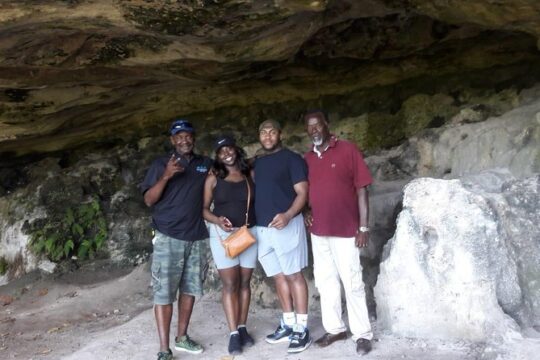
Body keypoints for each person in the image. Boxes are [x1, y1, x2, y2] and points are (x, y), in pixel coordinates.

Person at [303, 109, 374, 356]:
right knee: (326, 282)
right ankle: (335, 328)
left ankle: (362, 334)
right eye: (309, 127)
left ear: (327, 124)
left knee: (352, 282)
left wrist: (363, 227)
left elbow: (363, 189)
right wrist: (304, 212)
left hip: (346, 231)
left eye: (317, 125)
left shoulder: (347, 150)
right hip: (319, 231)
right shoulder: (307, 159)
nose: (314, 130)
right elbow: (303, 193)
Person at [140, 119, 212, 360]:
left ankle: (182, 337)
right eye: (178, 136)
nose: (184, 140)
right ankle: (164, 349)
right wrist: (167, 176)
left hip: (196, 236)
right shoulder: (161, 164)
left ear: (194, 137)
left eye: (187, 135)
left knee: (190, 290)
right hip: (167, 236)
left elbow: (229, 173)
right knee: (164, 293)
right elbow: (149, 200)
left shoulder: (205, 164)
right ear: (172, 140)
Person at [253, 119, 312, 353]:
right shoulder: (258, 163)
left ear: (280, 134)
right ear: (259, 137)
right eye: (263, 132)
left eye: (272, 132)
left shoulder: (292, 159)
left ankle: (302, 328)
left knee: (294, 275)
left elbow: (302, 192)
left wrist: (288, 215)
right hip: (263, 229)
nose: (267, 136)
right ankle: (288, 323)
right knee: (278, 277)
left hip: (286, 225)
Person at [202, 135, 257, 355]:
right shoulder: (213, 178)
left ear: (236, 149)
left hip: (248, 233)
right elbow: (204, 209)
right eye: (221, 150)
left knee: (245, 282)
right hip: (223, 236)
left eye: (229, 148)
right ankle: (233, 333)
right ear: (217, 155)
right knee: (230, 284)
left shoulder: (248, 174)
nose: (226, 153)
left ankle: (242, 327)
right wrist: (218, 221)